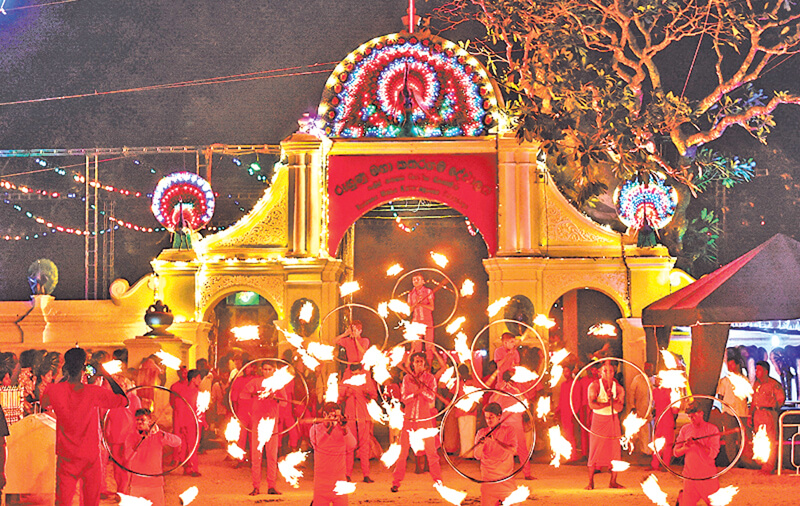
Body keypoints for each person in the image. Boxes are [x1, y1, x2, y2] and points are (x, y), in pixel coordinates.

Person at [40, 347, 128, 506]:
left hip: (66, 455)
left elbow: (45, 404)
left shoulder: (54, 390)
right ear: (83, 368)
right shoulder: (93, 392)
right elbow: (123, 400)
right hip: (90, 456)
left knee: (63, 501)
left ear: (65, 367)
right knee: (90, 501)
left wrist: (64, 377)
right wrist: (106, 375)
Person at [391, 352, 442, 492]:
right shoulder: (407, 378)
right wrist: (416, 392)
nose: (419, 364)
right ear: (412, 363)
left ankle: (438, 481)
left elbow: (431, 397)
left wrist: (422, 390)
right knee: (403, 453)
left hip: (424, 421)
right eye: (416, 361)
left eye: (421, 361)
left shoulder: (430, 379)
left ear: (424, 364)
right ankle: (396, 482)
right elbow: (404, 398)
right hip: (409, 421)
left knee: (431, 453)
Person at [124, 408, 182, 506]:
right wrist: (140, 439)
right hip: (138, 484)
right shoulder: (131, 436)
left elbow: (177, 441)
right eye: (137, 419)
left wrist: (162, 434)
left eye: (142, 420)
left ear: (149, 421)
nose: (139, 422)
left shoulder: (158, 435)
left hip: (155, 484)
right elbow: (128, 457)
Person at [585, 361, 624, 489]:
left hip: (613, 420)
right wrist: (608, 403)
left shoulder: (618, 388)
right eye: (605, 371)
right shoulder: (594, 386)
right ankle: (590, 482)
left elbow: (619, 407)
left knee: (615, 451)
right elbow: (592, 405)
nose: (608, 373)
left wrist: (612, 401)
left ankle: (613, 481)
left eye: (611, 371)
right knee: (595, 450)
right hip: (598, 420)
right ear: (600, 372)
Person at [246, 361, 283, 496]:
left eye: (270, 369)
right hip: (258, 423)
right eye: (265, 369)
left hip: (272, 424)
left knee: (272, 456)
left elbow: (284, 402)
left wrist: (276, 397)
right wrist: (254, 393)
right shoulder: (255, 382)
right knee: (256, 456)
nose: (267, 372)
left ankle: (271, 486)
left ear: (274, 371)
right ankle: (256, 486)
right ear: (262, 370)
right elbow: (243, 395)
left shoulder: (278, 384)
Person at [310, 402, 357, 506]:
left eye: (338, 416)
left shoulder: (342, 429)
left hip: (339, 480)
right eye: (333, 416)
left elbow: (352, 445)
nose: (336, 419)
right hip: (321, 482)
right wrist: (330, 429)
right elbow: (318, 444)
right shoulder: (315, 429)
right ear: (324, 415)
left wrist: (345, 429)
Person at [674, 402, 720, 506]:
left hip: (707, 477)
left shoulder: (712, 430)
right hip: (690, 477)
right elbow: (676, 452)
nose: (692, 419)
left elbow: (713, 454)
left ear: (701, 413)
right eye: (690, 417)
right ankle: (682, 497)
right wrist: (686, 447)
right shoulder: (685, 429)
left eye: (694, 416)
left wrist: (698, 444)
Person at [491, 371, 534, 479]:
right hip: (506, 425)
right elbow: (492, 402)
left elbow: (524, 405)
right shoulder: (500, 391)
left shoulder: (515, 391)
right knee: (505, 450)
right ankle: (504, 473)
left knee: (520, 449)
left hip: (514, 424)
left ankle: (526, 473)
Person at [339, 364, 378, 482]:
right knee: (349, 446)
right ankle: (347, 474)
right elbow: (339, 398)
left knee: (364, 446)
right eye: (353, 373)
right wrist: (346, 393)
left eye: (357, 373)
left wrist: (367, 393)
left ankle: (366, 474)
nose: (355, 375)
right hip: (350, 417)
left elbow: (374, 395)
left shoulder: (366, 380)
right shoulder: (346, 381)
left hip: (363, 417)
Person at [474, 402, 517, 506]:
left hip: (506, 482)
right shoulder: (481, 433)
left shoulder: (509, 431)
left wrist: (496, 441)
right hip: (489, 483)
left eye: (491, 417)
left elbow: (513, 450)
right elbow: (477, 456)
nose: (488, 420)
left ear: (499, 416)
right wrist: (480, 444)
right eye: (487, 417)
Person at [751, 360, 785, 474]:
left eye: (759, 370)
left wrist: (771, 408)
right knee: (759, 439)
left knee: (770, 440)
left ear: (765, 371)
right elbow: (753, 401)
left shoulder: (773, 384)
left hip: (768, 414)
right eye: (756, 369)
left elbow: (780, 399)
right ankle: (762, 463)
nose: (756, 372)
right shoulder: (756, 384)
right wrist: (751, 415)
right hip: (757, 414)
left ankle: (769, 466)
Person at [716, 358, 750, 467]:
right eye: (729, 365)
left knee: (742, 438)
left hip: (742, 412)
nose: (731, 367)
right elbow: (720, 395)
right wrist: (725, 406)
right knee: (729, 438)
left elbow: (748, 397)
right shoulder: (725, 380)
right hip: (729, 412)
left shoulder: (744, 379)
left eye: (732, 365)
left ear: (737, 365)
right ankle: (732, 462)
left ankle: (743, 460)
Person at [171, 368, 201, 476]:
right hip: (188, 422)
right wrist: (182, 425)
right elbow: (178, 407)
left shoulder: (197, 392)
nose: (200, 381)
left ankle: (189, 468)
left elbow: (199, 409)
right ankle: (191, 468)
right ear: (193, 379)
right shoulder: (183, 392)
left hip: (194, 422)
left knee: (192, 445)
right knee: (189, 446)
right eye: (199, 378)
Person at [650, 375, 678, 471]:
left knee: (667, 443)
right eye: (657, 379)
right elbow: (653, 404)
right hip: (658, 419)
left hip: (667, 419)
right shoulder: (655, 391)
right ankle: (655, 464)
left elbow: (675, 409)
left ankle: (666, 465)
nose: (658, 381)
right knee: (656, 442)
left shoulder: (671, 391)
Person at [626, 362, 653, 457]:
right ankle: (645, 452)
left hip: (653, 411)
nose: (648, 369)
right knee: (643, 432)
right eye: (646, 367)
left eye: (650, 367)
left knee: (652, 432)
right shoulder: (637, 379)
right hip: (641, 410)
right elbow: (631, 393)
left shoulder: (655, 380)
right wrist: (632, 406)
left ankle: (652, 452)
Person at [408, 273, 435, 360]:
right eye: (414, 280)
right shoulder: (411, 294)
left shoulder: (428, 291)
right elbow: (409, 310)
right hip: (416, 322)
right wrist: (415, 304)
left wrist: (422, 305)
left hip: (427, 321)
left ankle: (428, 369)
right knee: (416, 346)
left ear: (423, 281)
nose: (415, 281)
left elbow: (432, 307)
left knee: (429, 346)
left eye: (418, 279)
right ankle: (417, 368)